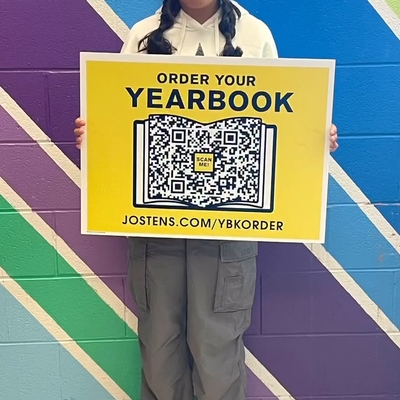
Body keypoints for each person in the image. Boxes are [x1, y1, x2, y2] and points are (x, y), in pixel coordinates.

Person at [74, 1, 339, 399]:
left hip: (228, 232)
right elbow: (120, 125)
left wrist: (312, 136)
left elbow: (282, 128)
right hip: (155, 229)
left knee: (217, 359)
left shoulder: (255, 35)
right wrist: (96, 135)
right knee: (159, 359)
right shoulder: (143, 35)